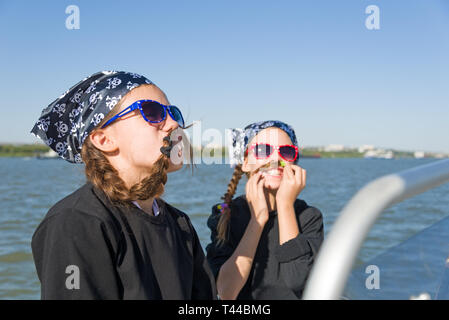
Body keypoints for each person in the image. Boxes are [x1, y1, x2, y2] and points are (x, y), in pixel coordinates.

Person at [30, 71, 216, 299]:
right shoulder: (77, 222)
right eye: (152, 112)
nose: (173, 124)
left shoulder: (180, 224)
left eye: (173, 112)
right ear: (104, 139)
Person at [206, 120, 324, 300]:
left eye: (286, 151)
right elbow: (226, 292)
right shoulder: (225, 215)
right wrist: (258, 220)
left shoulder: (309, 217)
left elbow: (297, 280)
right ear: (245, 162)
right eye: (263, 150)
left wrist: (284, 204)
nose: (275, 159)